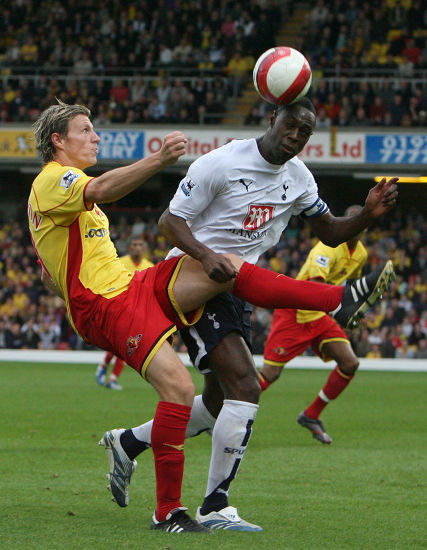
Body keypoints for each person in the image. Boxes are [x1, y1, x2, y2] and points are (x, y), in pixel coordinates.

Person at [28, 100, 395, 533]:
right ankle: (170, 511)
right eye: (86, 130)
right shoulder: (54, 179)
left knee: (225, 267)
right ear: (58, 140)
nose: (96, 137)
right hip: (107, 303)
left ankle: (339, 299)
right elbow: (104, 189)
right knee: (182, 388)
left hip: (132, 286)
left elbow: (55, 267)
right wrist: (160, 158)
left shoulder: (298, 177)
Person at [260, 205, 371, 444]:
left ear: (364, 227)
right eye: (351, 223)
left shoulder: (361, 253)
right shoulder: (328, 247)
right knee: (270, 374)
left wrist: (357, 310)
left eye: (359, 224)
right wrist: (342, 309)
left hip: (320, 314)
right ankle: (217, 411)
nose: (355, 229)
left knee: (350, 363)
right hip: (296, 311)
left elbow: (351, 284)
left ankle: (311, 415)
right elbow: (317, 283)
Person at [95, 236, 153, 390]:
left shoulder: (149, 266)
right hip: (119, 307)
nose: (138, 247)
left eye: (140, 244)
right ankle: (111, 375)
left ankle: (105, 368)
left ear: (144, 248)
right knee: (124, 344)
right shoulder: (119, 262)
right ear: (130, 247)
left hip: (137, 311)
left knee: (125, 344)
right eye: (135, 244)